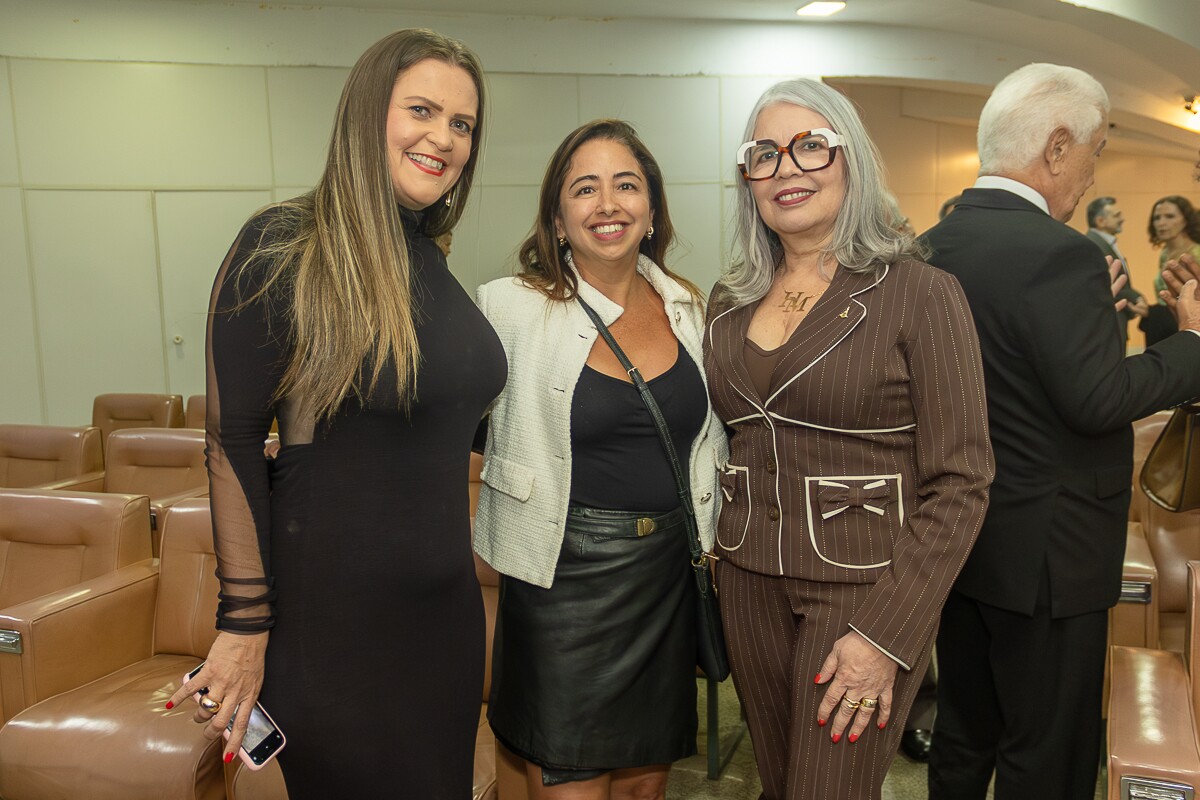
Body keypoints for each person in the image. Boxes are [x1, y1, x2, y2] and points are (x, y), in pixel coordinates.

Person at [165, 29, 506, 799]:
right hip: (335, 629)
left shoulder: (433, 259)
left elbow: (442, 419)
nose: (444, 137)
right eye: (421, 109)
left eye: (463, 124)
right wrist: (244, 624)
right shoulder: (284, 243)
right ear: (365, 116)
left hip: (444, 621)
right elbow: (233, 441)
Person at [704, 77, 994, 800]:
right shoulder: (730, 298)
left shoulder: (920, 292)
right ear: (747, 179)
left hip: (861, 593)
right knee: (780, 786)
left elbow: (962, 481)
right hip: (747, 583)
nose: (786, 169)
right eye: (763, 154)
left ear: (850, 159)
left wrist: (887, 635)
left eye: (810, 146)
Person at [922, 63, 1200, 800]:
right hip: (1052, 556)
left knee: (965, 733)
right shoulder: (1061, 252)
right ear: (1055, 148)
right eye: (1096, 150)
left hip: (961, 545)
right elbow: (1099, 400)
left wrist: (1088, 317)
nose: (1092, 170)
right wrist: (1193, 343)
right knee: (1046, 756)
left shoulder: (926, 249)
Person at [473, 119, 727, 800]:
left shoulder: (688, 309)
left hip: (667, 579)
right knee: (571, 786)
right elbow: (446, 421)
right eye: (585, 189)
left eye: (626, 185)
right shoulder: (510, 310)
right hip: (564, 584)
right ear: (558, 219)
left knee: (645, 787)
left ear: (651, 211)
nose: (607, 203)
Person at [1086, 196, 1149, 343]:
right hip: (1109, 325)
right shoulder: (1094, 246)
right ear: (1100, 221)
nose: (1122, 219)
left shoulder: (1104, 244)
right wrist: (1136, 298)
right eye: (1116, 215)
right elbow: (1106, 284)